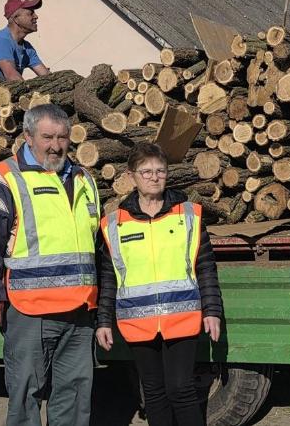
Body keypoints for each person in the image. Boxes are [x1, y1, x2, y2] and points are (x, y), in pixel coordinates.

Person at [0, 104, 100, 426]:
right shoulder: (6, 178)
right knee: (26, 395)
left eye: (62, 137)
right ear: (28, 137)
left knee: (75, 395)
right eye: (47, 137)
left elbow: (95, 244)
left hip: (80, 311)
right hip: (30, 310)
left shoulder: (84, 179)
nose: (56, 145)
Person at [95, 142, 223, 426]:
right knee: (153, 393)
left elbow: (205, 267)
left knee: (181, 389)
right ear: (131, 176)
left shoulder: (188, 215)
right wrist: (103, 321)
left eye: (160, 171)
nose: (154, 177)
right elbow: (109, 276)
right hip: (138, 321)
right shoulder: (115, 224)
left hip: (182, 318)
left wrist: (212, 311)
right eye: (146, 171)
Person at [0, 0, 50, 81]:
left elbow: (46, 76)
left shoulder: (27, 48)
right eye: (31, 13)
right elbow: (12, 77)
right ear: (16, 18)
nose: (36, 16)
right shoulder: (1, 41)